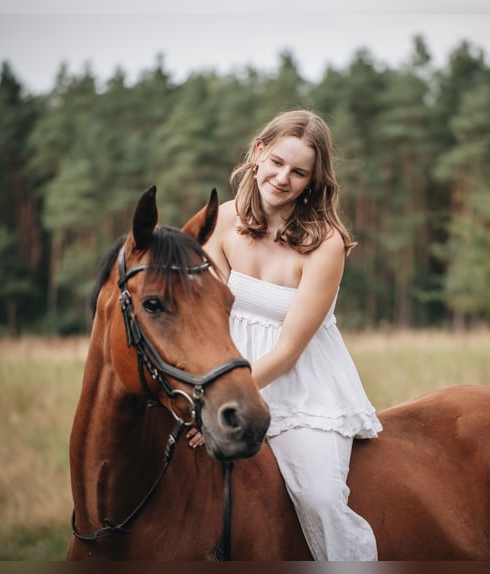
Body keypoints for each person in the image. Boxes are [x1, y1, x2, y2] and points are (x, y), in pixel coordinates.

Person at [187, 109, 383, 561]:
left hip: (298, 387)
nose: (282, 178)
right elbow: (206, 318)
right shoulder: (219, 222)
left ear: (313, 180)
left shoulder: (325, 241)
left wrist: (222, 397)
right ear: (258, 152)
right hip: (225, 372)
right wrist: (204, 391)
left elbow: (291, 348)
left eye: (299, 172)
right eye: (276, 162)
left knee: (319, 498)